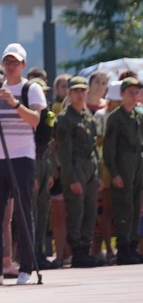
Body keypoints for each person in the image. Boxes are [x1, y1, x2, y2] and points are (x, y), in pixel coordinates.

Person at [0, 43, 45, 287]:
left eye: (15, 61)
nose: (10, 65)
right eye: (7, 61)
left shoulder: (31, 89)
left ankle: (26, 268)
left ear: (23, 64)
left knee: (24, 213)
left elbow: (35, 120)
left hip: (22, 157)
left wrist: (14, 103)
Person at [56, 76, 101, 268]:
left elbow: (93, 148)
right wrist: (72, 178)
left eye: (83, 91)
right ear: (70, 94)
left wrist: (97, 174)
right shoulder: (64, 119)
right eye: (76, 91)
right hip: (75, 168)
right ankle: (77, 252)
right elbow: (64, 153)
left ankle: (86, 248)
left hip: (90, 169)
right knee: (76, 212)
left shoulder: (88, 117)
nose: (80, 94)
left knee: (90, 212)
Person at [103, 76, 143, 265]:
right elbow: (109, 148)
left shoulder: (138, 116)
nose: (134, 96)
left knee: (135, 207)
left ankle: (132, 245)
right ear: (122, 94)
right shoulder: (115, 118)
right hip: (123, 164)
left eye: (137, 92)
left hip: (137, 164)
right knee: (123, 207)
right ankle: (124, 247)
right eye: (130, 93)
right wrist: (115, 173)